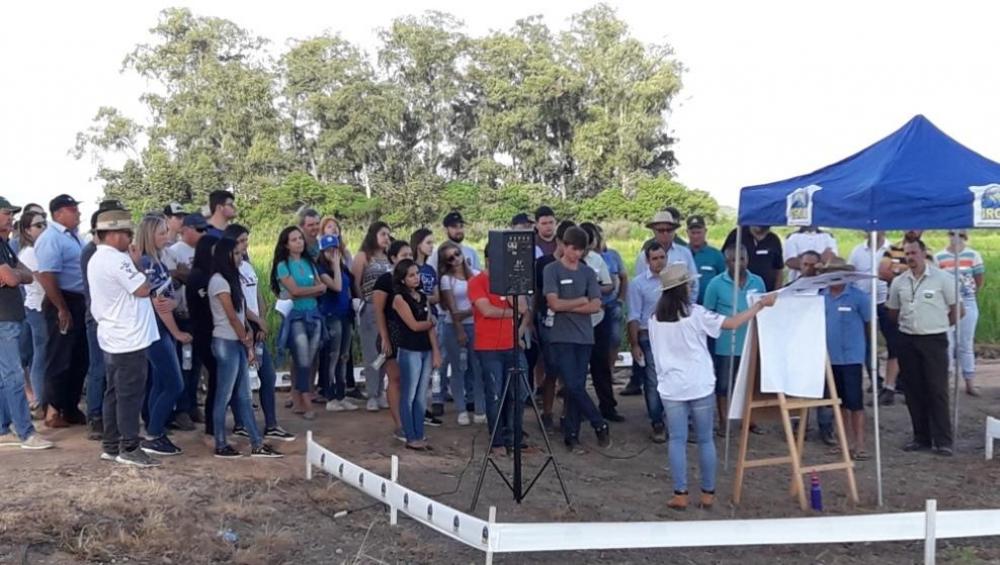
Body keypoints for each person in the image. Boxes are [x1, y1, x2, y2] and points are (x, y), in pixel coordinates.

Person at [649, 263, 776, 511]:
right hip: (699, 383)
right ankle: (708, 493)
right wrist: (758, 306)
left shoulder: (654, 319)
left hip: (672, 385)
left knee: (677, 440)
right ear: (683, 287)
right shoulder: (696, 313)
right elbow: (732, 323)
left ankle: (680, 493)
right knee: (705, 439)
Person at [89, 208, 158, 465]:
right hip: (129, 337)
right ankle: (129, 447)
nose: (131, 238)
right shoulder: (117, 260)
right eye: (128, 233)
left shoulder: (97, 258)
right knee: (129, 394)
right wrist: (138, 264)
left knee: (115, 392)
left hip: (114, 334)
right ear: (114, 234)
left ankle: (111, 445)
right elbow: (142, 289)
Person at [208, 237, 283, 459]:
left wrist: (251, 328)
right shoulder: (219, 281)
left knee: (243, 395)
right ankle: (220, 443)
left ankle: (256, 443)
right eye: (237, 253)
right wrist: (246, 339)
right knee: (225, 395)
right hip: (227, 341)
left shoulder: (231, 279)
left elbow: (241, 311)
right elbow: (232, 316)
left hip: (236, 340)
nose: (241, 257)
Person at [886, 239, 960, 457]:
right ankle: (921, 437)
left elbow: (958, 310)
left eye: (914, 253)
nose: (910, 257)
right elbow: (892, 311)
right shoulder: (899, 282)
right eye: (907, 254)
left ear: (923, 253)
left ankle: (943, 440)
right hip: (908, 339)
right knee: (913, 390)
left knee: (937, 389)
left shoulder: (942, 279)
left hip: (933, 340)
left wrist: (939, 324)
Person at [543, 226, 611, 453]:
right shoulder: (552, 270)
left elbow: (596, 304)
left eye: (580, 250)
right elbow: (553, 303)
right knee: (571, 383)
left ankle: (572, 434)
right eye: (573, 249)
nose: (576, 254)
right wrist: (580, 301)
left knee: (576, 386)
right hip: (561, 336)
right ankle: (598, 421)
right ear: (564, 246)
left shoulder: (588, 272)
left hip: (584, 336)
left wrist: (569, 306)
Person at [225, 224, 295, 441]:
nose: (245, 245)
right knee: (241, 381)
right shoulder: (228, 269)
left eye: (246, 240)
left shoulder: (248, 266)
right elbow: (237, 303)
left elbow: (257, 296)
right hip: (242, 328)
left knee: (268, 375)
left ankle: (271, 423)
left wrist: (262, 320)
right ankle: (241, 423)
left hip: (257, 326)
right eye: (241, 241)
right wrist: (253, 323)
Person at [0, 196, 54, 450]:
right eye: (6, 213)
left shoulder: (4, 244)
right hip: (3, 319)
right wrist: (15, 275)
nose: (10, 217)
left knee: (6, 376)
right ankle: (26, 432)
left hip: (10, 317)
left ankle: (4, 428)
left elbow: (25, 275)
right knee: (12, 376)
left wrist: (15, 275)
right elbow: (13, 278)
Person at [469, 246, 532, 455]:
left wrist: (517, 330)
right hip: (488, 347)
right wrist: (511, 313)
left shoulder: (510, 280)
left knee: (519, 391)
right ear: (489, 260)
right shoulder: (477, 282)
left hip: (511, 344)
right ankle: (496, 441)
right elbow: (486, 310)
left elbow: (523, 308)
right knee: (495, 393)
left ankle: (513, 435)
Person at [33, 194, 89, 429]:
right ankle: (53, 410)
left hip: (79, 299)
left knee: (79, 357)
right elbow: (47, 275)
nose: (78, 213)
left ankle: (70, 407)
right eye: (72, 209)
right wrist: (61, 308)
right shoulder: (51, 238)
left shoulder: (75, 237)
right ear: (58, 213)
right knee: (59, 356)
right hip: (63, 298)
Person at [135, 215, 189, 456]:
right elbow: (160, 304)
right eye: (161, 233)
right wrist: (177, 332)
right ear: (149, 235)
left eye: (166, 231)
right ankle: (154, 433)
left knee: (160, 382)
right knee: (174, 384)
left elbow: (167, 300)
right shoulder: (149, 263)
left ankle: (153, 429)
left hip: (158, 328)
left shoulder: (156, 262)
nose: (167, 236)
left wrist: (172, 304)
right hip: (157, 329)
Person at [703, 242, 767, 432]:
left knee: (750, 384)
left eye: (742, 259)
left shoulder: (758, 282)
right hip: (725, 343)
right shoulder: (716, 284)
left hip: (750, 342)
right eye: (733, 260)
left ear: (748, 260)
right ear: (726, 262)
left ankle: (750, 420)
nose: (738, 263)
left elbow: (764, 309)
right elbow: (707, 313)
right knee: (724, 385)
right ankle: (724, 421)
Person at [271, 226, 326, 419]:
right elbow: (294, 291)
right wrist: (315, 289)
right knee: (302, 358)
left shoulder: (309, 263)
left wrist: (310, 290)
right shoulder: (283, 265)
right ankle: (306, 401)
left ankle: (298, 398)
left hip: (314, 314)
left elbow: (321, 287)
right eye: (294, 240)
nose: (299, 242)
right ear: (286, 244)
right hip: (296, 316)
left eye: (300, 238)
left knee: (308, 359)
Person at [819, 258, 871, 460]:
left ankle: (860, 444)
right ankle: (843, 442)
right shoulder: (821, 297)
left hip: (851, 357)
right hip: (830, 357)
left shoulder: (859, 297)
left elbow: (869, 324)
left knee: (855, 402)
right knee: (838, 403)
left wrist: (865, 349)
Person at [391, 259, 442, 450]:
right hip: (409, 349)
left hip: (425, 349)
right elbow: (414, 325)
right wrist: (431, 322)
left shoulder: (422, 296)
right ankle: (410, 436)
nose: (416, 278)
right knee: (409, 394)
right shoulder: (399, 299)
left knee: (421, 395)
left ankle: (419, 433)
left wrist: (436, 351)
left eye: (417, 274)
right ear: (402, 279)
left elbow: (429, 329)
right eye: (411, 275)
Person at [437, 241, 485, 425]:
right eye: (450, 258)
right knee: (458, 368)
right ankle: (461, 408)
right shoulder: (446, 279)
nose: (456, 259)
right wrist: (459, 328)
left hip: (476, 324)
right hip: (454, 325)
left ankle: (480, 408)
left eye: (457, 254)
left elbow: (480, 303)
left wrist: (467, 313)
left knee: (478, 367)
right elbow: (452, 307)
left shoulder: (477, 275)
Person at [877, 229, 926, 405]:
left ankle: (912, 388)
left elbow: (927, 274)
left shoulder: (927, 251)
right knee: (894, 346)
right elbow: (882, 271)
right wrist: (906, 279)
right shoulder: (892, 249)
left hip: (918, 307)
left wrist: (898, 272)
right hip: (894, 304)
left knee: (916, 348)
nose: (913, 230)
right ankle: (889, 387)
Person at [579, 223, 622, 422]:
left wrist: (592, 289)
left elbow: (609, 285)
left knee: (601, 365)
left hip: (598, 318)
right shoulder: (567, 261)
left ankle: (608, 407)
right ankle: (577, 411)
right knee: (577, 368)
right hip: (576, 320)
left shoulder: (596, 259)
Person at [627, 242, 669, 443]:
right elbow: (633, 315)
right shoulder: (638, 284)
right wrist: (634, 344)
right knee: (653, 380)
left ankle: (673, 417)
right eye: (655, 258)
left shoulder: (674, 280)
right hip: (648, 334)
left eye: (662, 257)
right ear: (647, 260)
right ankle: (657, 422)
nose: (659, 262)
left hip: (672, 333)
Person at [167, 213, 207, 426]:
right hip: (180, 314)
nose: (203, 233)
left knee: (196, 365)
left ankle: (192, 405)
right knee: (183, 364)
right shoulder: (174, 251)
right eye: (199, 230)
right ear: (186, 230)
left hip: (199, 314)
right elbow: (172, 278)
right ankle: (181, 408)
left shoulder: (204, 250)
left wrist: (186, 275)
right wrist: (187, 276)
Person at [935, 230, 985, 396]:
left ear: (964, 236)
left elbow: (979, 278)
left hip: (968, 302)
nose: (955, 237)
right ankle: (946, 382)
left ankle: (969, 382)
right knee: (947, 343)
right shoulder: (939, 257)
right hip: (946, 305)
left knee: (966, 343)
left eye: (959, 234)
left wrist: (969, 293)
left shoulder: (973, 255)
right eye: (952, 234)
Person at [373, 240, 415, 438]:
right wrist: (385, 337)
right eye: (404, 255)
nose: (409, 258)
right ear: (393, 258)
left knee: (410, 380)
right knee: (395, 379)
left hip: (411, 334)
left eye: (410, 255)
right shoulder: (385, 280)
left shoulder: (413, 279)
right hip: (391, 333)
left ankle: (410, 419)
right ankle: (399, 424)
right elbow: (379, 311)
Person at [351, 221, 392, 410]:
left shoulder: (389, 257)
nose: (386, 238)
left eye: (388, 235)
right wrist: (361, 303)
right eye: (383, 234)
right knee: (371, 352)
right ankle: (372, 393)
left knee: (386, 351)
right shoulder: (363, 256)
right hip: (370, 308)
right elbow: (355, 282)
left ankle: (381, 390)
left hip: (389, 310)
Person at [316, 233, 358, 413]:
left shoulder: (342, 267)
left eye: (334, 249)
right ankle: (330, 395)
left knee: (344, 356)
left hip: (345, 314)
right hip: (331, 315)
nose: (332, 253)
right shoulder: (321, 270)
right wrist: (334, 265)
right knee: (332, 355)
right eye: (328, 251)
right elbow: (337, 286)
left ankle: (341, 394)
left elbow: (347, 288)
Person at [185, 235, 221, 435]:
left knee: (217, 379)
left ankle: (213, 423)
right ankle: (211, 425)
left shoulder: (210, 275)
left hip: (211, 333)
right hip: (205, 334)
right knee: (215, 378)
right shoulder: (199, 276)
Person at [848, 231, 891, 394]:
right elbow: (851, 275)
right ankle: (875, 379)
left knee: (893, 343)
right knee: (868, 343)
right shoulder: (857, 251)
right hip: (864, 303)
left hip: (886, 302)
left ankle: (893, 382)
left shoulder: (891, 250)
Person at [16, 209, 48, 418]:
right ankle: (39, 400)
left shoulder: (39, 249)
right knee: (39, 355)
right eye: (38, 225)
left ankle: (41, 399)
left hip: (40, 307)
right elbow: (43, 280)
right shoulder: (29, 253)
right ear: (27, 230)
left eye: (44, 224)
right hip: (37, 307)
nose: (43, 228)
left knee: (39, 354)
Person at [634, 210, 698, 293]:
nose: (665, 233)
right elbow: (639, 286)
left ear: (674, 231)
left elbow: (694, 282)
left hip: (680, 301)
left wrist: (688, 301)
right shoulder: (643, 257)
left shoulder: (685, 253)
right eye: (661, 230)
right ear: (654, 231)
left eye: (669, 230)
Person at [723, 226, 784, 291]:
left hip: (767, 292)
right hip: (739, 291)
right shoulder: (737, 235)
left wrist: (776, 291)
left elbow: (779, 269)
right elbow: (725, 261)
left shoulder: (774, 239)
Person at [686, 216, 726, 305]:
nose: (696, 236)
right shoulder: (681, 253)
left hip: (709, 306)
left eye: (699, 232)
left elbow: (724, 281)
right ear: (687, 232)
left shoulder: (716, 255)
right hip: (686, 305)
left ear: (705, 231)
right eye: (693, 233)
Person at [410, 228, 440, 308]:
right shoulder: (409, 267)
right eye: (428, 243)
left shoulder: (430, 269)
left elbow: (437, 297)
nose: (432, 246)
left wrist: (420, 297)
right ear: (418, 244)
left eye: (432, 243)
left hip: (432, 312)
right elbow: (410, 296)